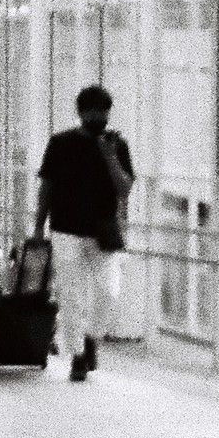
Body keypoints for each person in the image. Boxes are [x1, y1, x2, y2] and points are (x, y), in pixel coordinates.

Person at [34, 82, 135, 382]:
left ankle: (91, 337)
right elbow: (47, 186)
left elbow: (125, 188)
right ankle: (78, 355)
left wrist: (109, 156)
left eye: (103, 113)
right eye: (92, 113)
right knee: (72, 294)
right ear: (80, 113)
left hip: (103, 230)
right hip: (65, 229)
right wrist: (39, 226)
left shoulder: (117, 145)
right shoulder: (60, 143)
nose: (98, 119)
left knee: (109, 291)